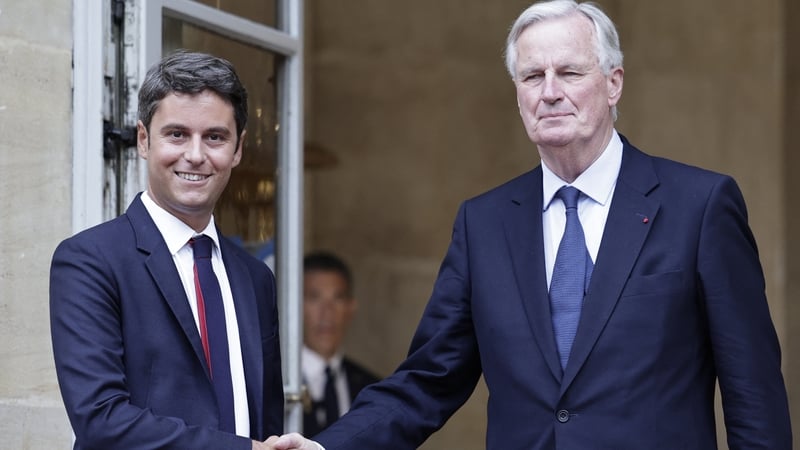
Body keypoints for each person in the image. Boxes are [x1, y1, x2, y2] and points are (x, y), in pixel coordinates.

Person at [267, 0, 793, 449]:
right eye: (532, 76)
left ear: (613, 84)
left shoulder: (699, 205)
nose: (549, 91)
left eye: (569, 72)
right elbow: (429, 379)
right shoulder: (484, 223)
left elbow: (753, 393)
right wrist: (326, 444)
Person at [50, 50, 283, 450]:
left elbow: (264, 419)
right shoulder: (89, 262)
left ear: (238, 148)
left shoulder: (255, 278)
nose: (195, 155)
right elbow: (101, 419)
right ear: (143, 139)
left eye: (215, 137)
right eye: (177, 134)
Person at [301, 251, 380, 436]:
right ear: (295, 306)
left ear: (350, 308)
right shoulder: (276, 384)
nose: (326, 313)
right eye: (314, 298)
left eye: (337, 299)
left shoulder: (371, 389)